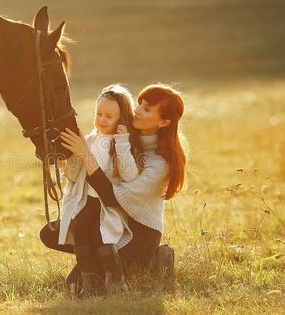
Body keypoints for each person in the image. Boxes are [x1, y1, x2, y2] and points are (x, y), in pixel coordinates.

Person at [41, 83, 187, 297]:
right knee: (52, 234)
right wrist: (69, 156)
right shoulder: (124, 137)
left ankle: (148, 260)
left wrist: (86, 156)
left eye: (147, 109)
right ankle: (93, 264)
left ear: (164, 122)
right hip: (107, 218)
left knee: (88, 276)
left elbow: (113, 198)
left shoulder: (159, 163)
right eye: (139, 103)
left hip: (139, 232)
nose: (137, 110)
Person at [55, 84, 143, 296]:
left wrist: (122, 143)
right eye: (99, 114)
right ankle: (89, 280)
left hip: (106, 204)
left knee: (99, 236)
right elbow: (77, 176)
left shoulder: (121, 143)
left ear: (121, 119)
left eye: (109, 116)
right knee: (81, 231)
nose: (102, 120)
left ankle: (115, 279)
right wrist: (65, 164)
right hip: (86, 200)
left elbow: (130, 175)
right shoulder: (89, 141)